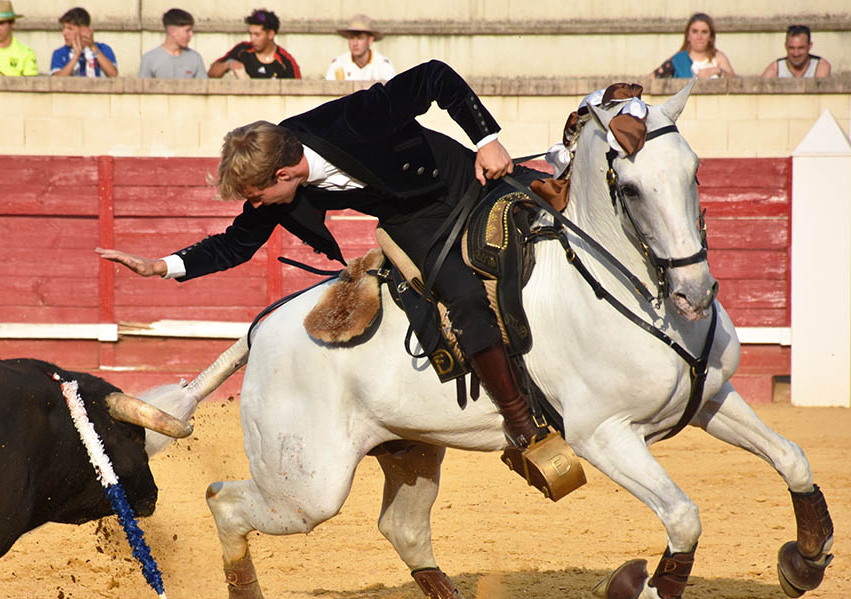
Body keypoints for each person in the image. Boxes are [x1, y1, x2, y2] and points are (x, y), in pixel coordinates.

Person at [98, 60, 538, 451]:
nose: (255, 205)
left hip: (462, 176)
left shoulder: (353, 120)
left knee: (554, 202)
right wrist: (164, 266)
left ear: (285, 173)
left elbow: (434, 75)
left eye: (257, 195)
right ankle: (519, 419)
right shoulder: (278, 190)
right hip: (412, 223)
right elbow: (237, 242)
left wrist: (487, 138)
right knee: (462, 295)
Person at [207, 8, 299, 79]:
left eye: (257, 35)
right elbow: (211, 72)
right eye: (250, 34)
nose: (252, 39)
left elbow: (297, 92)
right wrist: (228, 64)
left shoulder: (286, 62)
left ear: (271, 34)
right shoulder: (242, 50)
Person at [653, 12, 734, 79]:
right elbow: (651, 78)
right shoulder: (678, 60)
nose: (699, 37)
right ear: (688, 36)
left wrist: (717, 71)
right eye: (695, 32)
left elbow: (736, 82)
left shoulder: (718, 58)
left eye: (704, 32)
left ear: (711, 37)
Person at [325, 14, 396, 82]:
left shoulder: (383, 65)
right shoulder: (338, 63)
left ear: (370, 40)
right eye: (351, 38)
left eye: (360, 38)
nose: (355, 43)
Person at [139, 7, 206, 78]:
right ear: (172, 31)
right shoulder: (150, 59)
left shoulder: (195, 58)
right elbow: (142, 88)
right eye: (187, 31)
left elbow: (204, 87)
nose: (191, 34)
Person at [50, 7, 117, 77]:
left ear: (84, 30)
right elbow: (57, 80)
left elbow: (113, 74)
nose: (64, 33)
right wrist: (76, 56)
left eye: (70, 28)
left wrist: (93, 47)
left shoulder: (103, 49)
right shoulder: (60, 53)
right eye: (63, 28)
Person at [762, 24, 831, 78]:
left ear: (810, 46)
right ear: (785, 46)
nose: (796, 54)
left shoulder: (820, 66)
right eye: (791, 48)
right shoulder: (775, 69)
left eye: (801, 48)